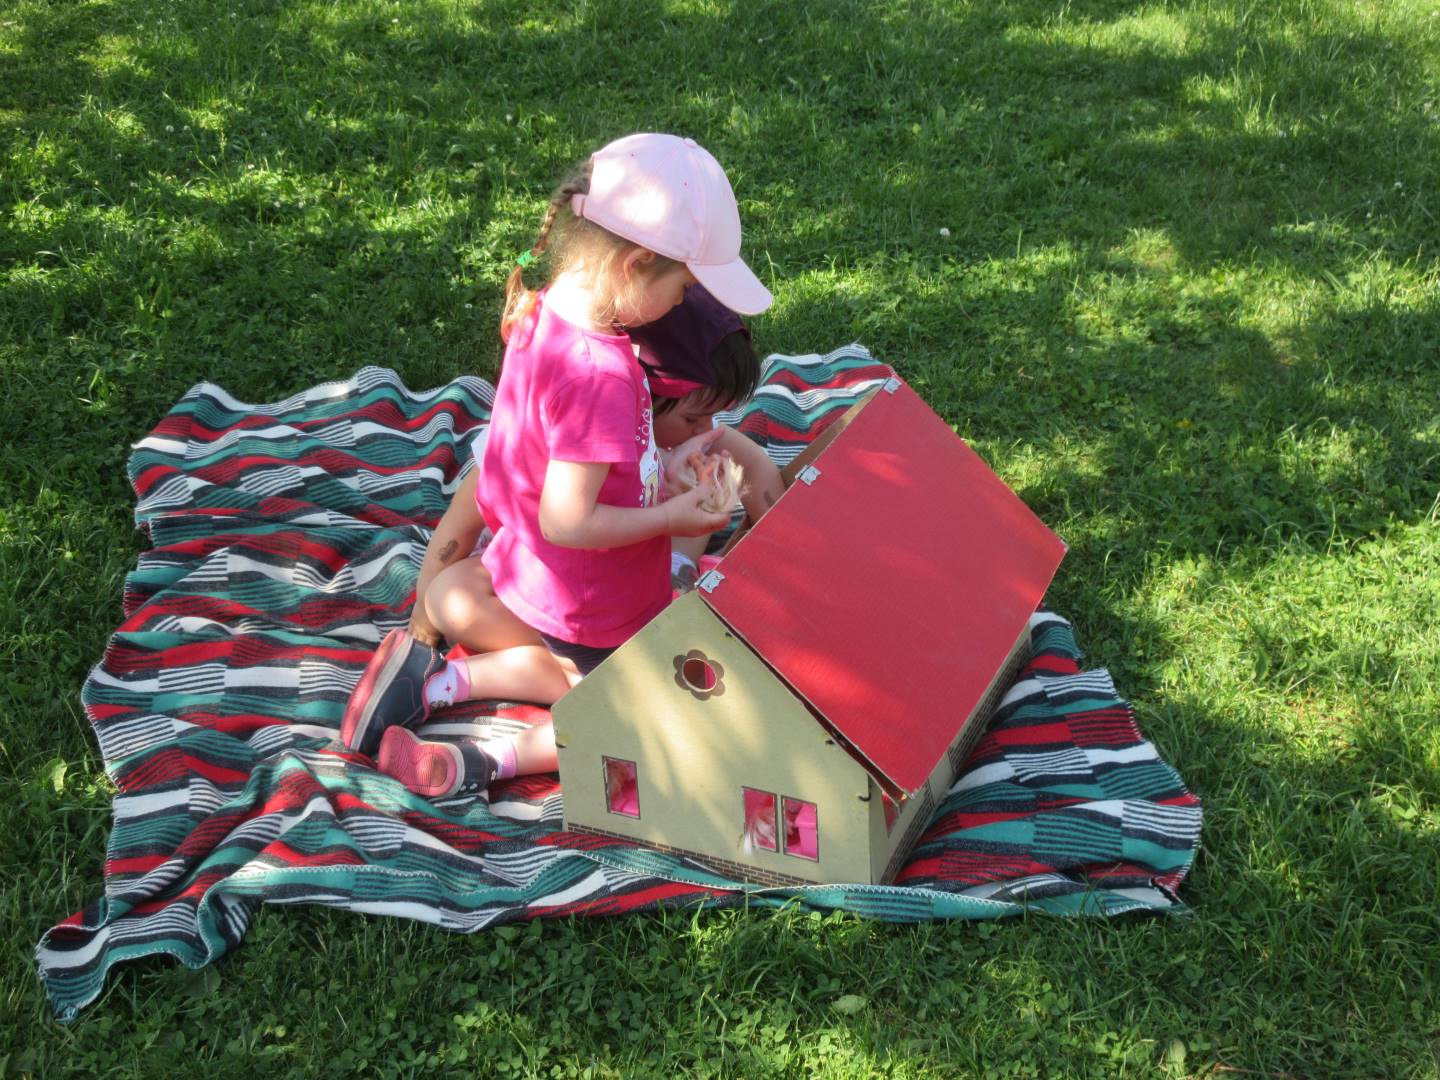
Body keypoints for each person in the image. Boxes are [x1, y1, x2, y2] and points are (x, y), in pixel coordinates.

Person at [338, 133, 774, 798]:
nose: (682, 303)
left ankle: (440, 683)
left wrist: (670, 465)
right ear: (634, 265)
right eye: (684, 287)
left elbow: (573, 461)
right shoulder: (603, 373)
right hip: (596, 604)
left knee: (572, 672)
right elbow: (567, 519)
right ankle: (481, 763)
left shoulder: (544, 313)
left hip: (535, 579)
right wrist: (673, 518)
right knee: (642, 713)